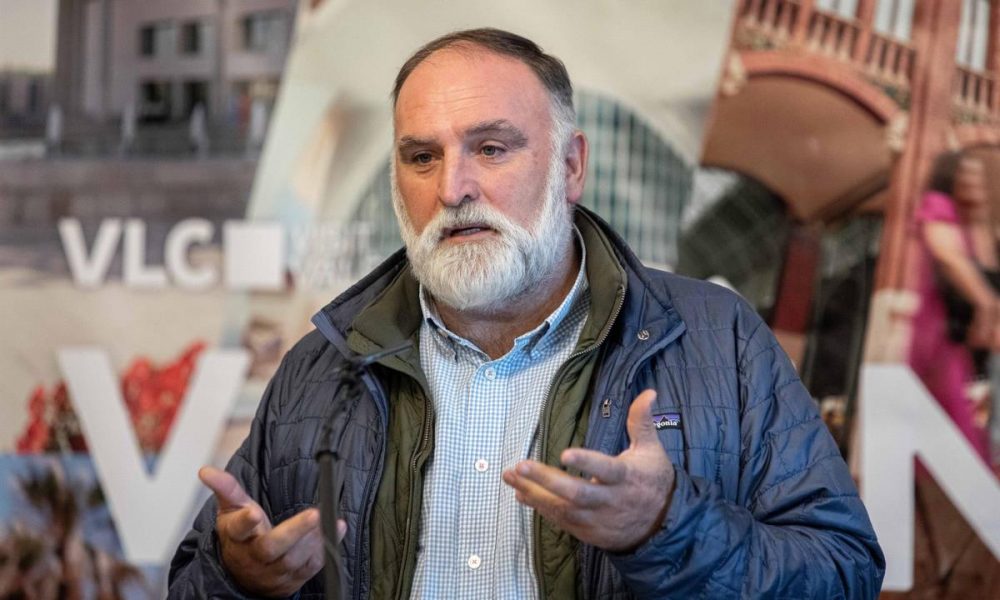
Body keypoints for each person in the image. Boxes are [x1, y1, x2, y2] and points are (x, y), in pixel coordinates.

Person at [168, 28, 885, 598]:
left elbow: (843, 569)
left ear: (571, 166)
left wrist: (668, 529)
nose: (453, 188)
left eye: (491, 148)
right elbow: (196, 581)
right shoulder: (322, 367)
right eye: (421, 157)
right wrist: (240, 581)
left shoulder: (715, 339)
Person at [910, 151, 999, 462]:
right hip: (936, 338)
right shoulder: (938, 206)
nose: (974, 182)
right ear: (951, 177)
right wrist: (988, 304)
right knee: (954, 436)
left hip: (964, 347)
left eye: (978, 177)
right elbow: (949, 257)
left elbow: (987, 269)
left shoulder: (971, 225)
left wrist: (980, 217)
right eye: (967, 175)